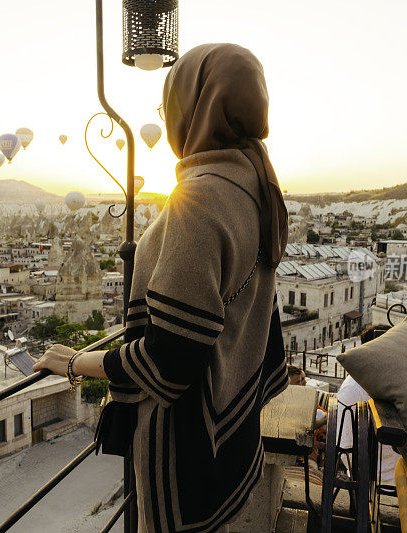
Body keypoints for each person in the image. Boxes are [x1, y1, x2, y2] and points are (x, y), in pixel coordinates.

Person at [34, 43, 289, 532]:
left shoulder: (201, 198)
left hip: (187, 449)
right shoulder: (257, 185)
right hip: (235, 433)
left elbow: (168, 361)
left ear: (195, 106)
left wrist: (73, 363)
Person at [335, 325, 400, 487]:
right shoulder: (353, 390)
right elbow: (346, 447)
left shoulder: (397, 380)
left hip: (401, 472)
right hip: (381, 480)